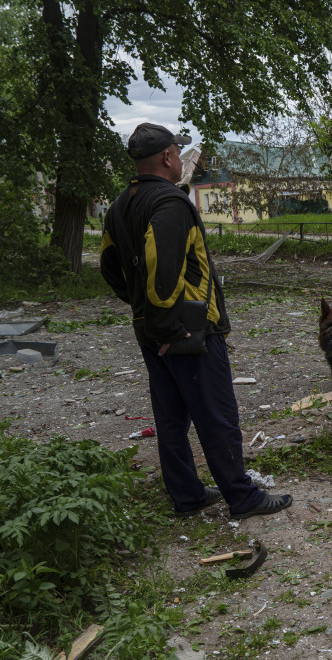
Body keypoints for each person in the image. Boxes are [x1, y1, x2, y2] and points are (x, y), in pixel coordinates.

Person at [100, 122, 292, 521]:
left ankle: (187, 496)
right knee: (217, 414)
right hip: (187, 333)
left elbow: (109, 266)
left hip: (151, 330)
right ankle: (242, 497)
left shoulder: (120, 205)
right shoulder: (170, 204)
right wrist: (172, 327)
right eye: (178, 150)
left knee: (171, 419)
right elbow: (161, 269)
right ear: (169, 157)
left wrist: (140, 308)